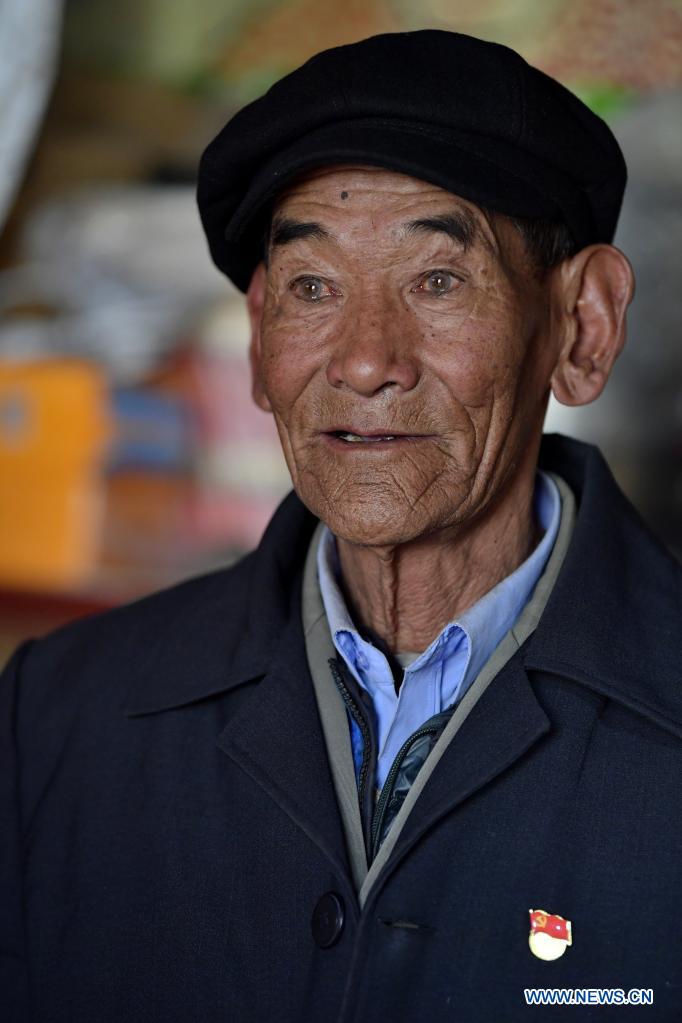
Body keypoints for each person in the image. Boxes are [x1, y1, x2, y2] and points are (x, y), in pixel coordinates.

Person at [1, 30, 680, 1023]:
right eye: (312, 289)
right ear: (261, 336)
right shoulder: (62, 720)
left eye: (436, 280)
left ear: (581, 327)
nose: (364, 361)